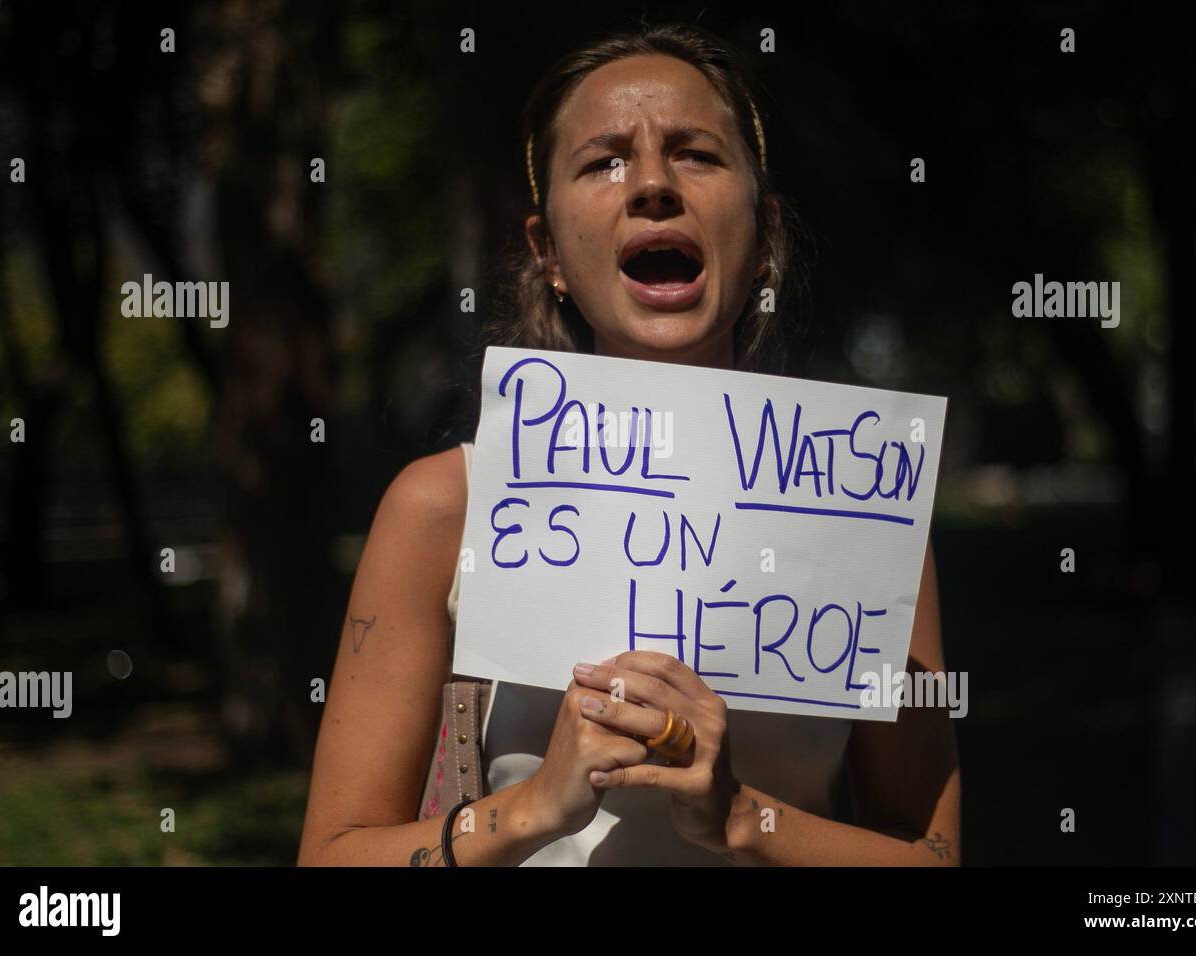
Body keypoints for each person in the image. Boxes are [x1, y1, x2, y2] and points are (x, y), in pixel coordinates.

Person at [297, 21, 960, 866]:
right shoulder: (442, 506)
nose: (651, 182)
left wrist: (743, 817)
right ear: (549, 255)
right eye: (604, 160)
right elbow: (330, 853)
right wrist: (534, 808)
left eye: (696, 154)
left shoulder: (868, 513)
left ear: (763, 238)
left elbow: (933, 855)